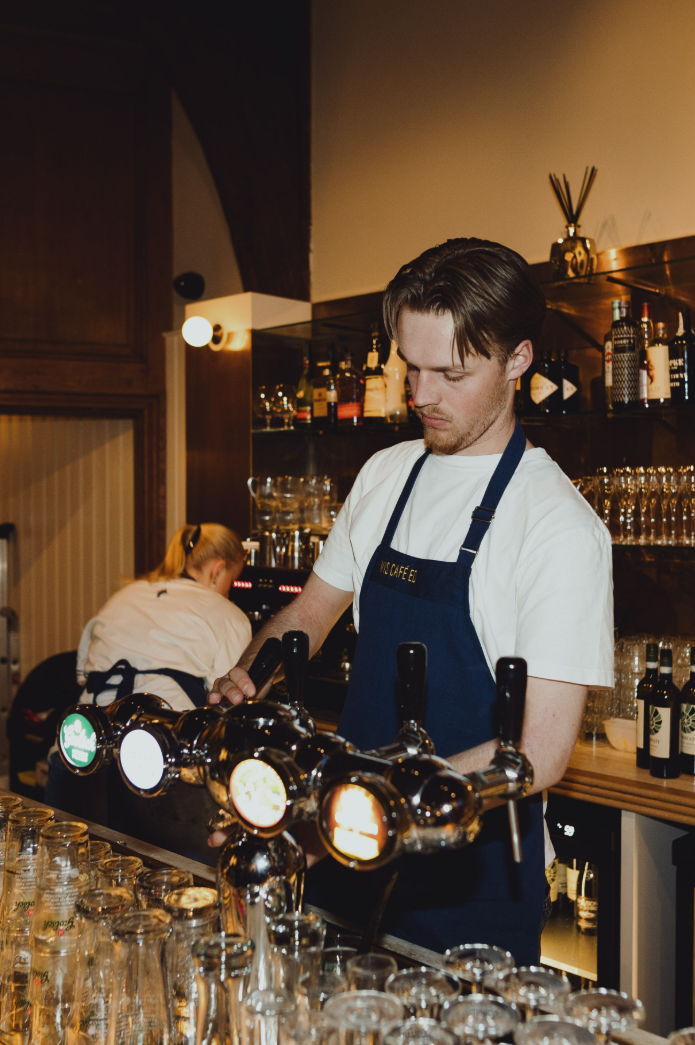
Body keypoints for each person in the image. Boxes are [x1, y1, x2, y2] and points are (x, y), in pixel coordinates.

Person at [210, 237, 614, 960]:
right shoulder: (386, 472)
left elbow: (541, 751)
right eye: (411, 368)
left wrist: (359, 810)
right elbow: (310, 613)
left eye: (450, 373)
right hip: (342, 857)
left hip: (466, 882)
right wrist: (249, 680)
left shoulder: (555, 525)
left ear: (517, 360)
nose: (421, 396)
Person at [46, 523, 251, 861]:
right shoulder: (229, 616)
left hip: (77, 755)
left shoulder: (123, 596)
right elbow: (230, 704)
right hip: (158, 770)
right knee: (175, 891)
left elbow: (83, 673)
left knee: (65, 875)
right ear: (218, 570)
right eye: (232, 581)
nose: (229, 591)